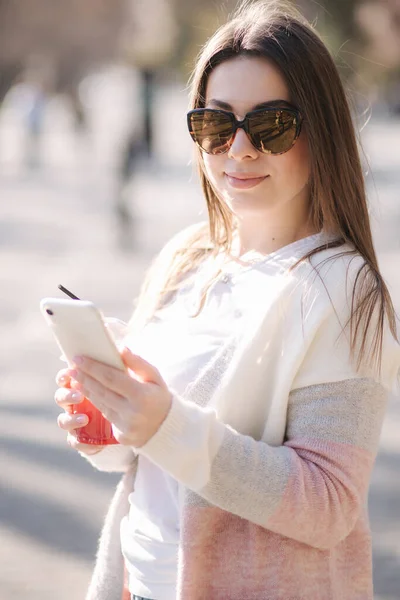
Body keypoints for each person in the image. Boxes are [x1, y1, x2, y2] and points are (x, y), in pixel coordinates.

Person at [54, 1, 400, 599]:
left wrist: (165, 423)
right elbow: (154, 460)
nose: (238, 149)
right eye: (216, 125)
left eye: (271, 126)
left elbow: (327, 504)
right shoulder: (187, 257)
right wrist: (113, 419)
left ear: (319, 131)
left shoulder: (340, 288)